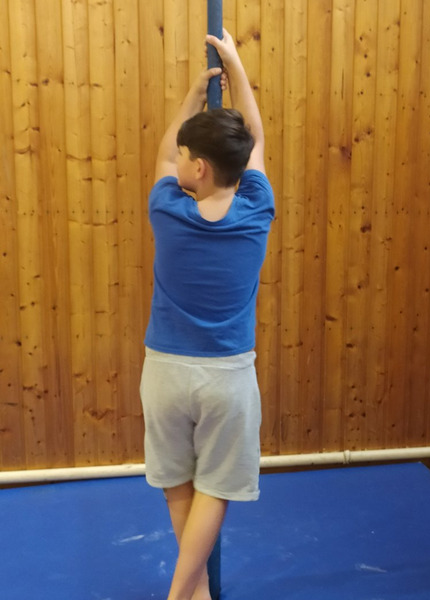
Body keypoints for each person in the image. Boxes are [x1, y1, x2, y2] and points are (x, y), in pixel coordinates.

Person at [139, 29, 274, 600]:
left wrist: (196, 93)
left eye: (184, 157)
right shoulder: (257, 210)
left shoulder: (167, 209)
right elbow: (255, 140)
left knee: (177, 484)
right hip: (227, 378)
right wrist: (236, 67)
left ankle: (191, 594)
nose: (177, 161)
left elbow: (162, 155)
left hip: (166, 373)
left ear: (196, 169)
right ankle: (185, 592)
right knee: (214, 488)